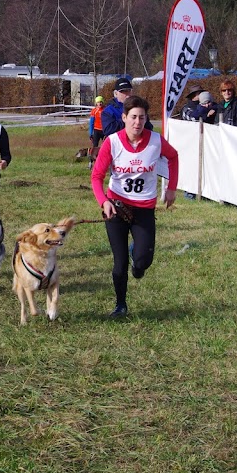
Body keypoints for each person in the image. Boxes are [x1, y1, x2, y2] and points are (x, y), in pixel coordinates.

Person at [91, 95, 179, 318]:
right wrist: (104, 201)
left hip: (143, 210)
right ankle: (120, 305)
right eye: (133, 117)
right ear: (124, 117)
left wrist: (171, 188)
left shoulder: (156, 141)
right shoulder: (112, 142)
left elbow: (173, 157)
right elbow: (96, 177)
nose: (137, 122)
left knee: (142, 262)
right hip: (117, 208)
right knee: (119, 264)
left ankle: (137, 257)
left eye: (141, 117)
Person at [88, 95, 106, 169]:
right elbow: (91, 123)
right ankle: (91, 162)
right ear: (96, 103)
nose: (100, 103)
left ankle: (105, 162)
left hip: (104, 131)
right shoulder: (94, 111)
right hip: (96, 130)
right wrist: (90, 133)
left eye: (101, 102)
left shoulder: (105, 110)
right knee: (94, 147)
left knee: (105, 147)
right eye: (98, 102)